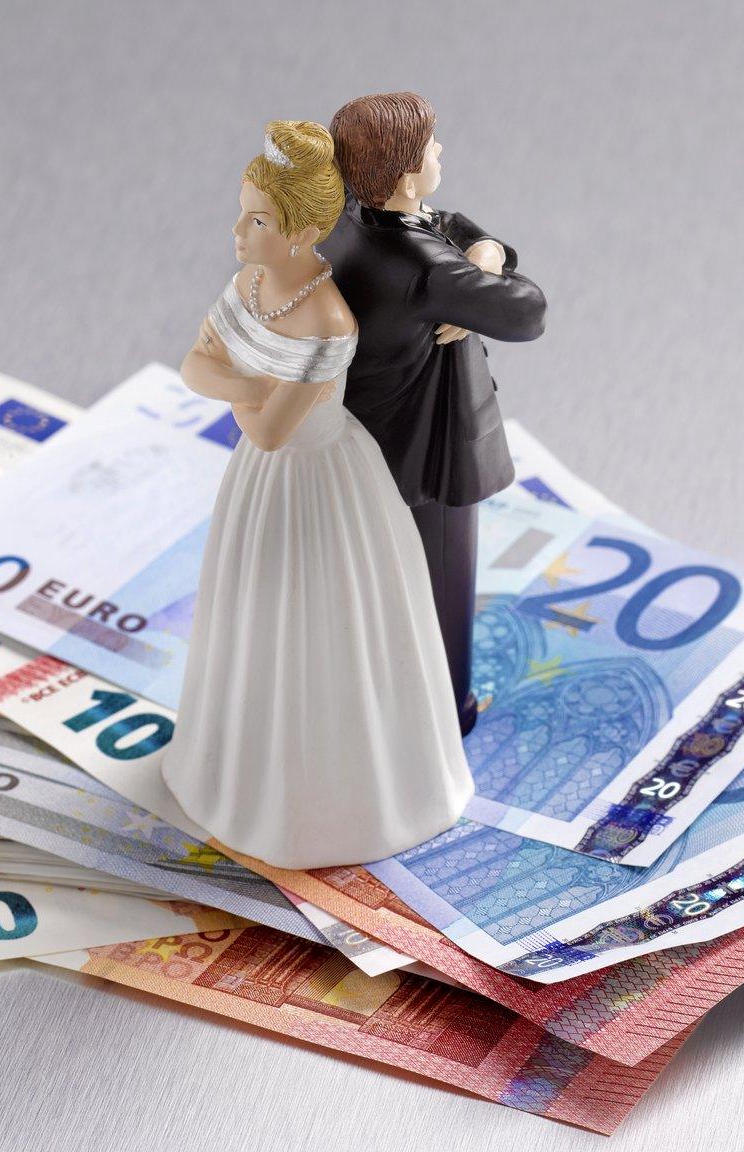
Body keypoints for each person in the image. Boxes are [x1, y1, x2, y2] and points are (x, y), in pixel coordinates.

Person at [160, 120, 474, 870]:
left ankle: (326, 798)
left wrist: (238, 383)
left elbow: (271, 429)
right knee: (254, 617)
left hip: (323, 485)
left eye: (258, 220)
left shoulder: (330, 317)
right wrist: (248, 384)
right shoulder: (247, 284)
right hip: (263, 486)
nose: (239, 232)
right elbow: (194, 370)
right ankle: (242, 772)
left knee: (327, 626)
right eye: (241, 213)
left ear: (305, 231)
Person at [320, 92, 548, 737]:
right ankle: (444, 717)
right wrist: (476, 271)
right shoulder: (424, 270)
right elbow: (527, 311)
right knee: (440, 588)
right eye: (430, 148)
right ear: (404, 174)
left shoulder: (351, 222)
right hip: (430, 452)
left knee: (374, 585)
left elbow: (449, 223)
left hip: (365, 434)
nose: (440, 152)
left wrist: (482, 254)